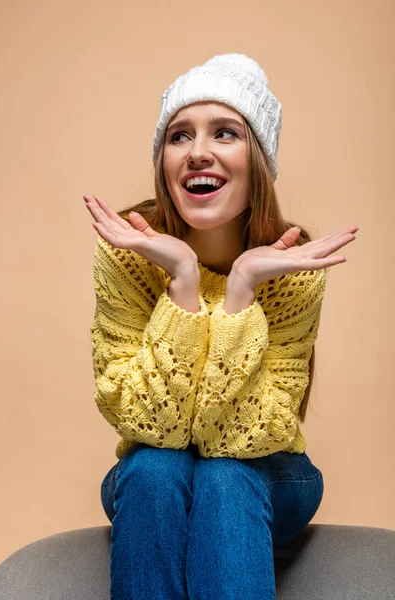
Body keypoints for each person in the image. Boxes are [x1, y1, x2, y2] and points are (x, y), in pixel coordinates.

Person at [83, 53, 358, 600]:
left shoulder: (291, 271)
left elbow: (231, 441)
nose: (198, 152)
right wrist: (183, 283)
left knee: (223, 477)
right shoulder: (128, 254)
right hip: (154, 474)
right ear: (162, 160)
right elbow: (150, 426)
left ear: (258, 160)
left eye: (224, 132)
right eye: (179, 136)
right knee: (157, 470)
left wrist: (240, 294)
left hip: (270, 468)